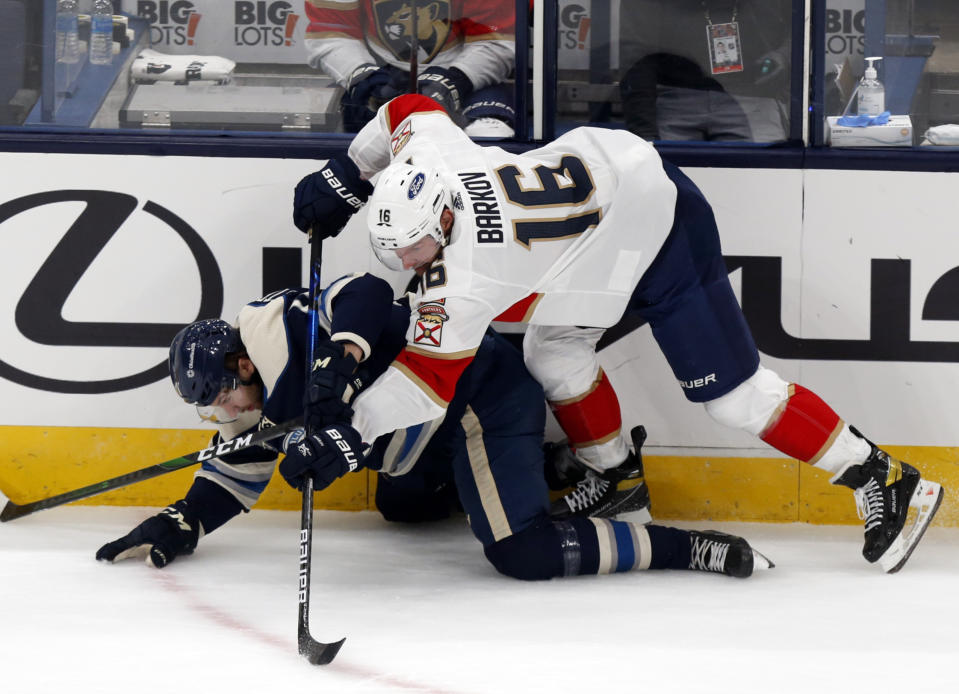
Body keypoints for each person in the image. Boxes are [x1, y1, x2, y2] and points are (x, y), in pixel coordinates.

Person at [290, 93, 945, 574]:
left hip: (659, 229)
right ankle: (617, 479)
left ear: (441, 213)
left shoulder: (457, 278)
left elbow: (424, 385)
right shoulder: (433, 157)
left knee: (733, 397)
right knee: (551, 352)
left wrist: (351, 437)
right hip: (597, 222)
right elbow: (408, 107)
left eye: (415, 248)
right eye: (395, 252)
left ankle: (881, 477)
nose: (409, 264)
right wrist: (349, 176)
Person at [95, 273, 772, 580]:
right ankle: (545, 472)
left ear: (242, 361)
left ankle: (686, 549)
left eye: (222, 398)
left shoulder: (280, 330)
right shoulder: (253, 394)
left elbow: (365, 289)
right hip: (424, 434)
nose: (226, 415)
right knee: (401, 506)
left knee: (522, 555)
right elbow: (232, 475)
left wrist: (336, 367)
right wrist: (184, 520)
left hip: (481, 392)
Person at [304, 0, 516, 136]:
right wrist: (362, 74)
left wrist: (456, 80)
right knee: (358, 134)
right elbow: (331, 32)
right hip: (383, 70)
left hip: (467, 75)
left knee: (488, 133)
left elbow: (495, 40)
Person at [618, 0, 792, 142]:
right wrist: (645, 134)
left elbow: (809, 22)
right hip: (675, 100)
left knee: (766, 177)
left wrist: (784, 55)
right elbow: (636, 55)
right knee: (667, 178)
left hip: (755, 99)